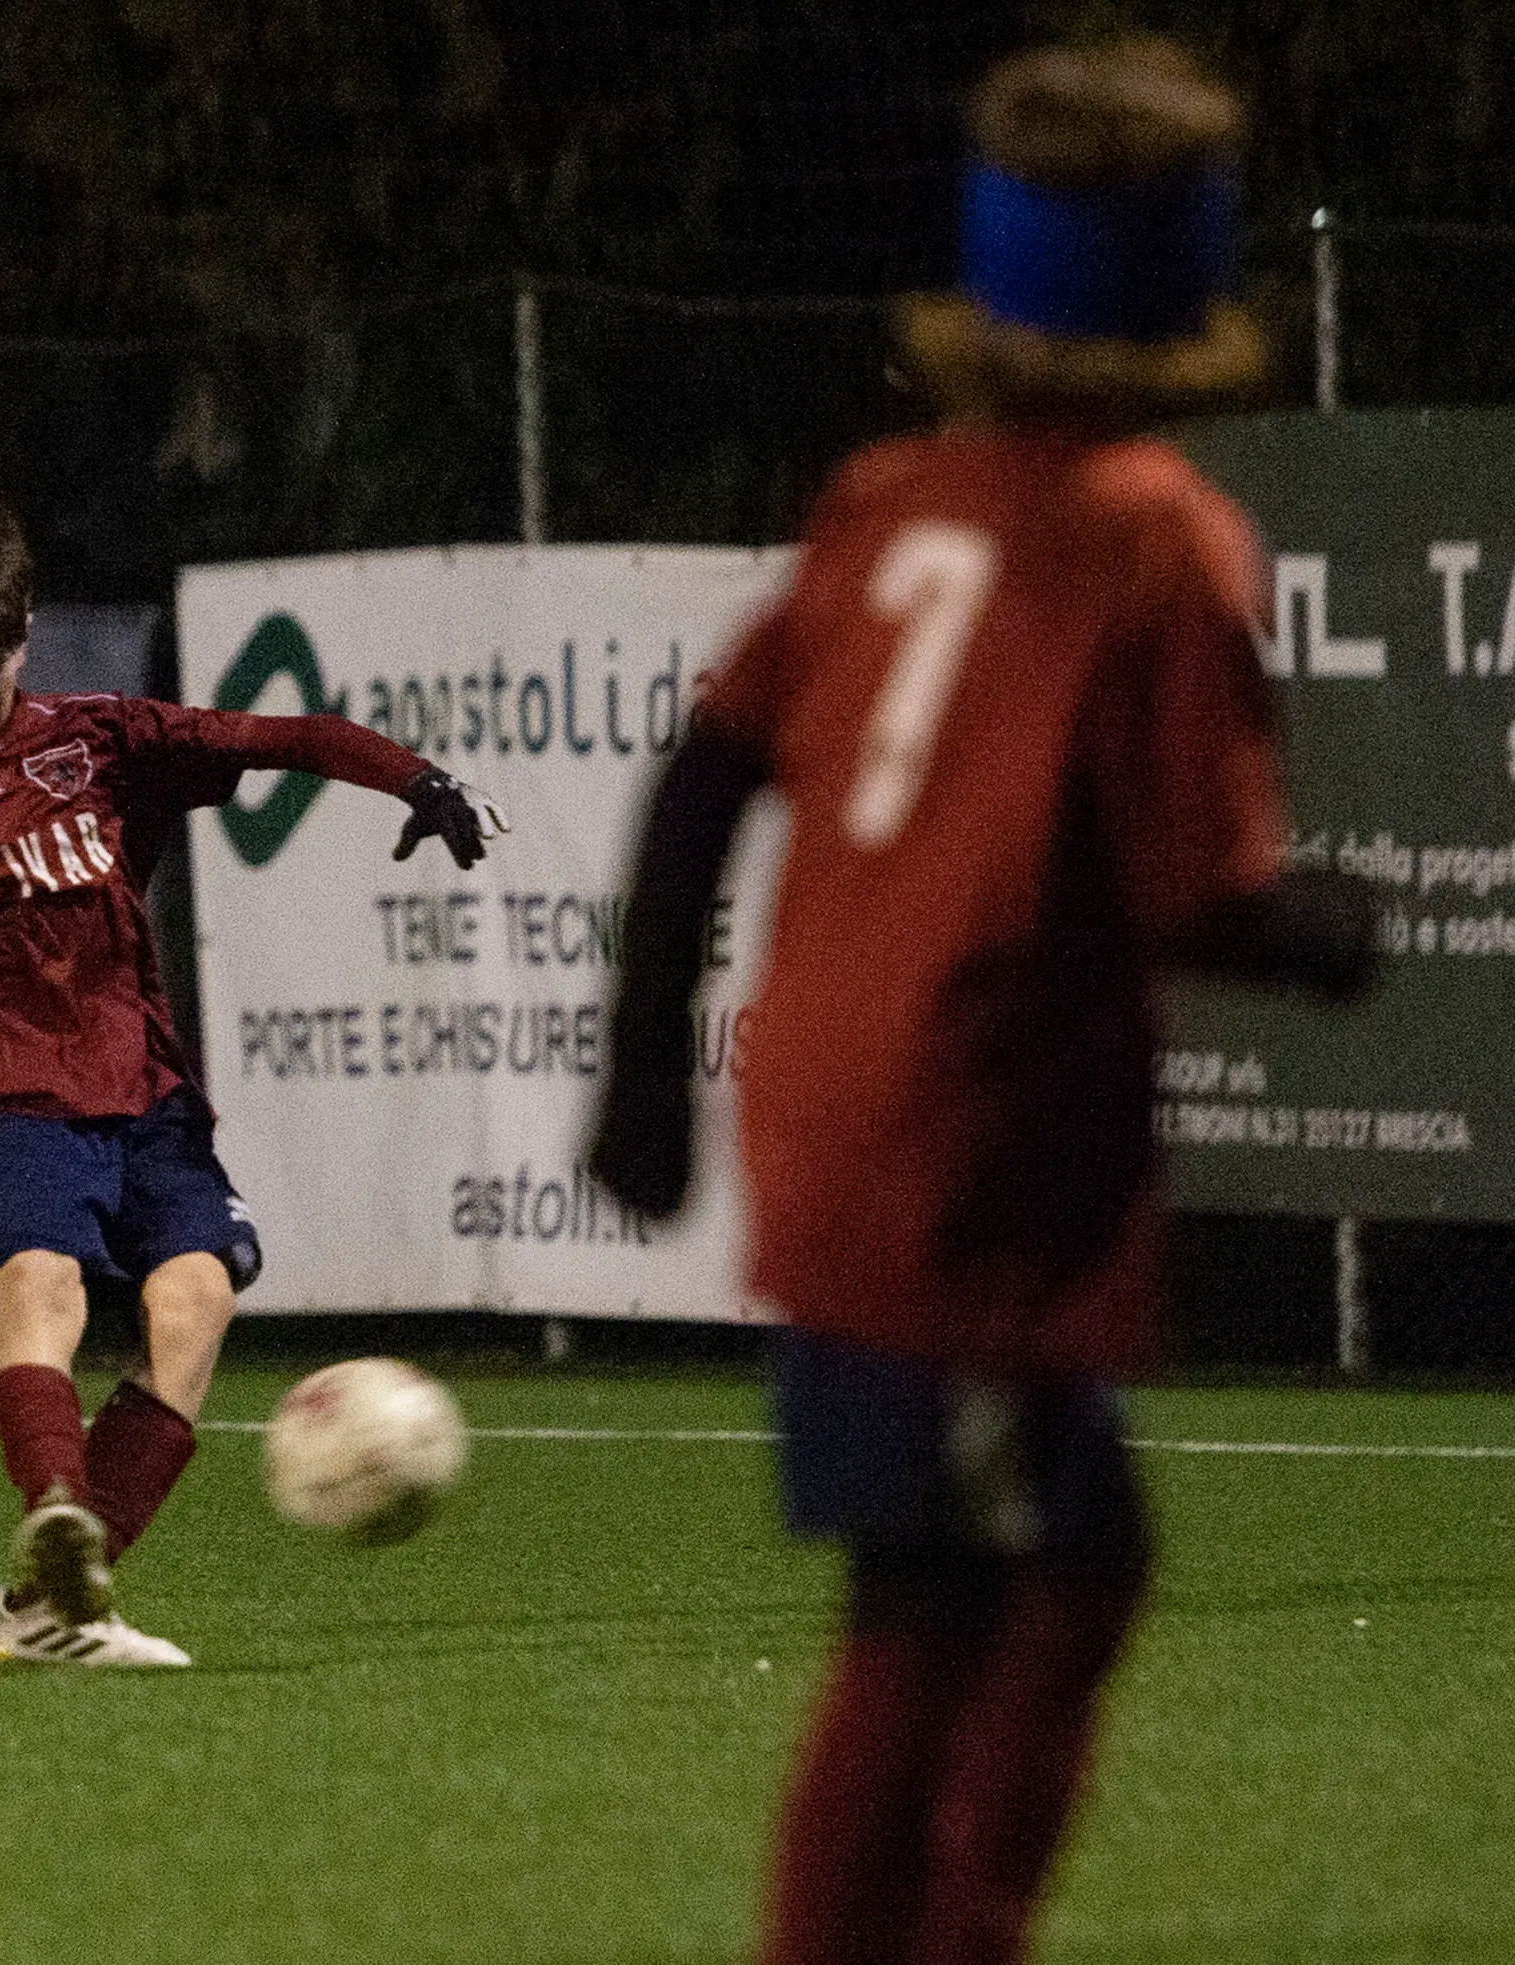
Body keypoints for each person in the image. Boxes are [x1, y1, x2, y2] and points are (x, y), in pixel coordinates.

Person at [587, 41, 1376, 1965]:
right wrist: (1325, 930)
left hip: (845, 1119)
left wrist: (638, 1076)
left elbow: (698, 777)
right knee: (968, 1606)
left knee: (1000, 1574)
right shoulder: (1151, 533)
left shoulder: (884, 495)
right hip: (977, 1149)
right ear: (1189, 281)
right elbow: (1198, 892)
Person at [0, 502, 503, 1666]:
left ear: (25, 638)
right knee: (43, 1290)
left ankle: (48, 1608)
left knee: (194, 1301)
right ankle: (55, 1513)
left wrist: (416, 781)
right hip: (9, 1098)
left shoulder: (99, 739)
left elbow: (280, 739)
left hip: (146, 1091)